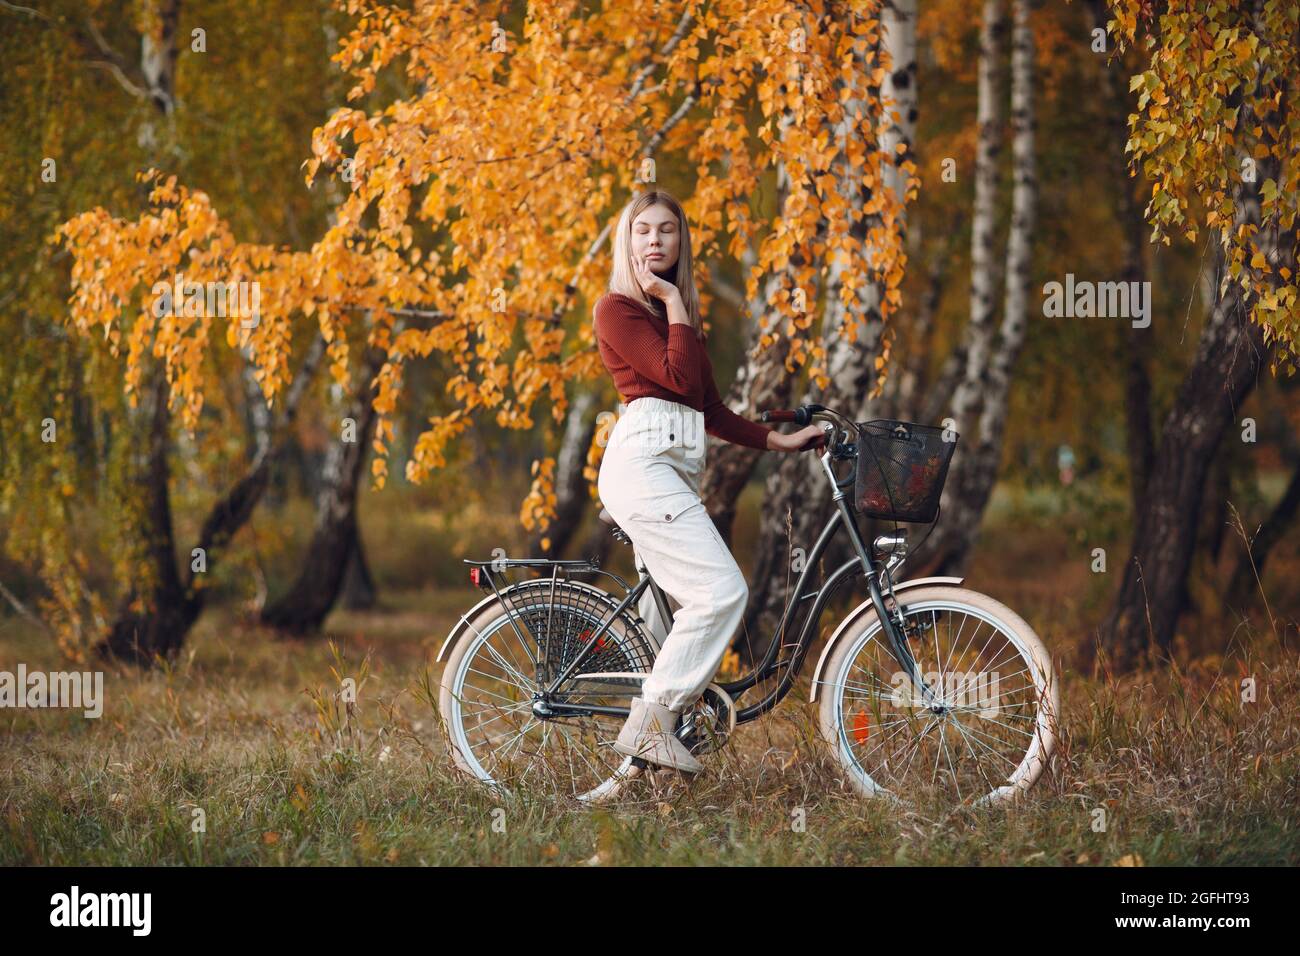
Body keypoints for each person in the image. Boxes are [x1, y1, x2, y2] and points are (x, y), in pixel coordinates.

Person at [593, 190, 824, 774]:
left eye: (667, 231)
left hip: (671, 470)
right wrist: (671, 300)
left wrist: (779, 442)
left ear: (681, 241)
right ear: (628, 241)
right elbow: (673, 375)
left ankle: (644, 764)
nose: (654, 241)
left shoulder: (680, 322)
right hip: (642, 467)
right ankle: (651, 725)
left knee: (666, 623)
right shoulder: (617, 310)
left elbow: (710, 408)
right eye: (643, 230)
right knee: (722, 593)